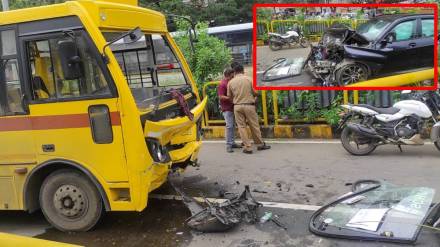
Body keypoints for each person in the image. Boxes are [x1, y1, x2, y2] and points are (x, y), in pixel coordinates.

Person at [227, 63, 270, 154]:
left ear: (234, 72)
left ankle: (248, 147)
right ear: (243, 71)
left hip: (237, 106)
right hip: (249, 105)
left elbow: (229, 96)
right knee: (254, 125)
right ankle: (260, 144)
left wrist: (235, 101)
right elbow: (256, 92)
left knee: (241, 127)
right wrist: (254, 97)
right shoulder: (249, 79)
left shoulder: (231, 82)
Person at [218, 68, 241, 153]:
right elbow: (221, 96)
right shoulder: (223, 84)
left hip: (232, 107)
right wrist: (231, 98)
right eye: (232, 75)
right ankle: (228, 145)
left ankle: (232, 143)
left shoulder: (230, 82)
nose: (234, 76)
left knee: (232, 126)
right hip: (227, 108)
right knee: (229, 126)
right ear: (229, 75)